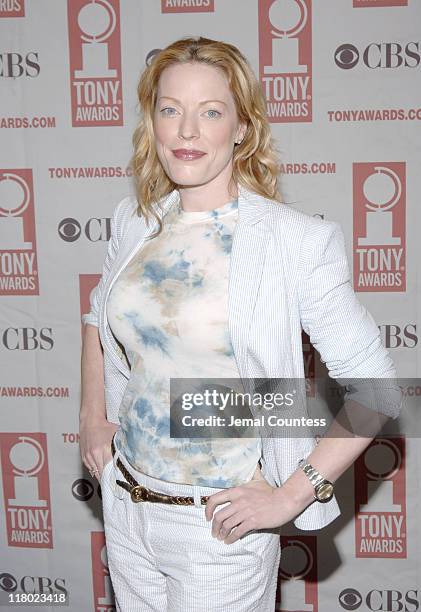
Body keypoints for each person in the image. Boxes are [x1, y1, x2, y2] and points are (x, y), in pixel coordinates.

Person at [79, 36, 401, 612]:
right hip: (126, 509)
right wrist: (92, 417)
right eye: (169, 109)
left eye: (210, 112)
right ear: (151, 121)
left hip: (218, 530)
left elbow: (375, 389)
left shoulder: (292, 241)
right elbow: (98, 315)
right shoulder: (134, 221)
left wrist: (289, 496)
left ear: (243, 128)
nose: (186, 131)